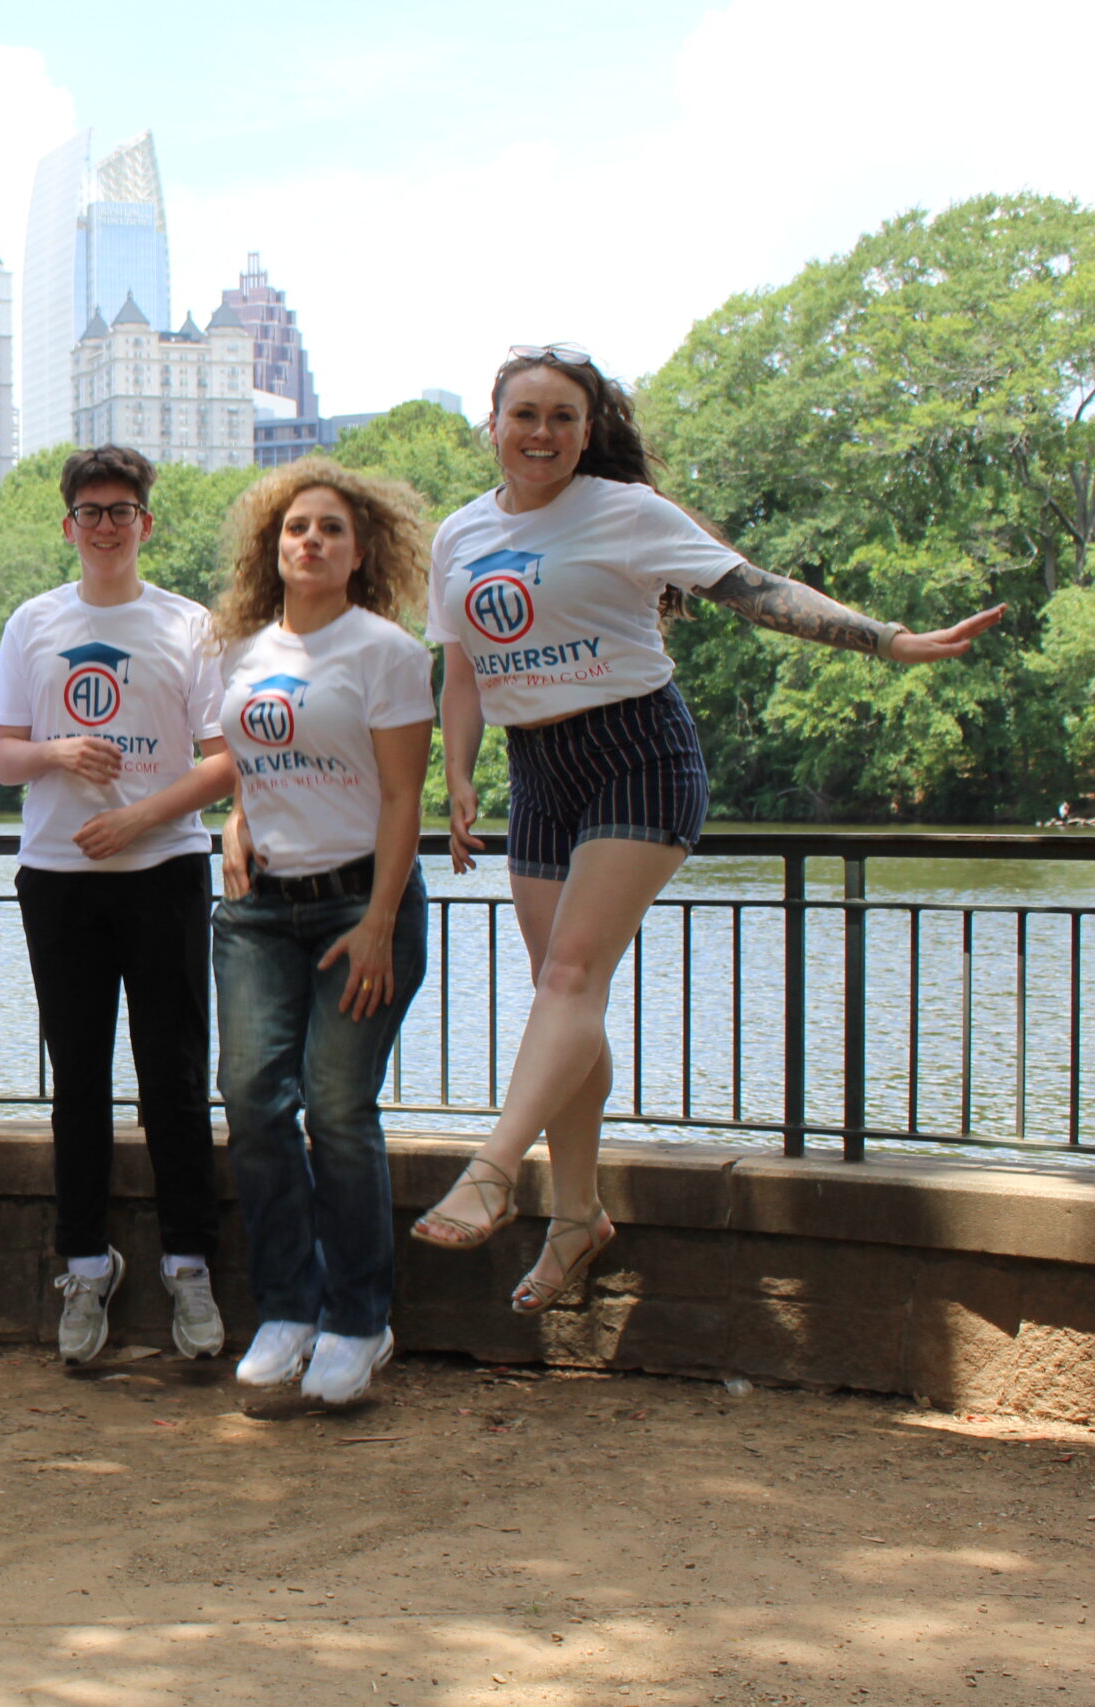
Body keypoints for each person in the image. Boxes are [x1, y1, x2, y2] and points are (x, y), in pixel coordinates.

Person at [413, 345, 1004, 1309]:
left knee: (568, 979)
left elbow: (758, 591)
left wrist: (887, 639)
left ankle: (492, 1169)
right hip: (538, 772)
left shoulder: (627, 512)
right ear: (494, 424)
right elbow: (464, 669)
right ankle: (577, 1218)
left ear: (588, 432)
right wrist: (460, 774)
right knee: (565, 994)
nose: (543, 433)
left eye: (564, 417)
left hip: (636, 750)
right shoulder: (461, 533)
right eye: (526, 414)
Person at [0, 445, 236, 1365]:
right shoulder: (33, 621)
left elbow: (224, 759)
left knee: (175, 1075)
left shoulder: (189, 624)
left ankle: (189, 1263)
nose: (104, 526)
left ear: (145, 523)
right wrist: (56, 753)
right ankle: (85, 1264)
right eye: (89, 511)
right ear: (68, 525)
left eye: (120, 510)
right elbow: (0, 755)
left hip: (163, 867)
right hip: (57, 874)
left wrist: (140, 817)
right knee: (79, 1080)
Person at [209, 460, 435, 1405]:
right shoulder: (243, 650)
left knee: (338, 1109)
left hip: (358, 905)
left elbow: (401, 797)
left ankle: (358, 1318)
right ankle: (287, 1306)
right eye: (296, 527)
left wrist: (380, 921)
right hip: (259, 910)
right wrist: (237, 817)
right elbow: (257, 760)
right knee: (253, 1099)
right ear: (273, 546)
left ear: (361, 550)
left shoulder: (386, 652)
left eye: (331, 529)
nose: (311, 541)